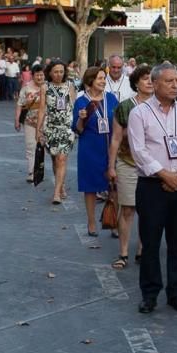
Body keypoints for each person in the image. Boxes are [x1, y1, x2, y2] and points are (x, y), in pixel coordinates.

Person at [128, 63, 177, 314]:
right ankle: (150, 294)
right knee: (150, 242)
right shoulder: (139, 113)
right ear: (155, 83)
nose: (174, 85)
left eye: (176, 81)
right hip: (152, 185)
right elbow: (139, 151)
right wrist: (164, 175)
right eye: (168, 81)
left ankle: (176, 292)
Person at [108, 65, 154, 269]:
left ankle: (143, 248)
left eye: (152, 78)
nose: (150, 82)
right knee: (127, 208)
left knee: (148, 210)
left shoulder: (160, 106)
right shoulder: (125, 107)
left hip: (153, 166)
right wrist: (111, 167)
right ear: (136, 83)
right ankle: (123, 252)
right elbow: (116, 139)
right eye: (145, 79)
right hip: (127, 163)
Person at [74, 66, 119, 235]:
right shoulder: (81, 101)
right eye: (99, 78)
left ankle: (113, 221)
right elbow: (77, 129)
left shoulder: (111, 99)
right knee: (90, 186)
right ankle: (91, 221)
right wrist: (81, 119)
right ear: (90, 81)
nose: (103, 81)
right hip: (90, 148)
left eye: (104, 78)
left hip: (110, 147)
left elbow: (119, 122)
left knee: (113, 186)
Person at [36, 60, 76, 204]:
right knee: (54, 159)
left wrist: (77, 125)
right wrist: (38, 129)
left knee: (62, 159)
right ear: (50, 73)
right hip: (51, 127)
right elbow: (42, 109)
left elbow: (74, 106)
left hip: (66, 128)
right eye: (55, 72)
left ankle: (56, 193)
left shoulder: (70, 86)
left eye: (61, 71)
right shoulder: (45, 87)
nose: (59, 74)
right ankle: (61, 185)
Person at [15, 64, 46, 182]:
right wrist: (17, 120)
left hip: (45, 122)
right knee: (31, 146)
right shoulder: (26, 88)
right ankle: (31, 172)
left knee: (45, 147)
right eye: (37, 75)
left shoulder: (48, 87)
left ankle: (42, 168)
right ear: (32, 76)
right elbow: (19, 104)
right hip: (30, 122)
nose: (39, 77)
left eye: (41, 75)